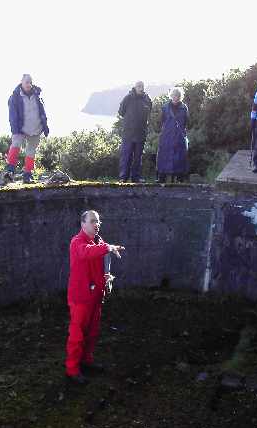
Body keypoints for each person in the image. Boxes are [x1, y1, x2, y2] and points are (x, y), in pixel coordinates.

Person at [65, 210, 124, 385]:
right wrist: (107, 247)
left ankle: (86, 362)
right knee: (77, 335)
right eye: (92, 221)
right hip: (81, 298)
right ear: (82, 224)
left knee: (91, 333)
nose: (96, 224)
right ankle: (72, 370)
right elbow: (86, 253)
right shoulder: (77, 242)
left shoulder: (99, 241)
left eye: (98, 221)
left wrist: (106, 277)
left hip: (95, 296)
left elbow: (100, 263)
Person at [4, 74, 49, 184]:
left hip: (36, 128)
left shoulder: (37, 95)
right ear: (21, 82)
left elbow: (42, 112)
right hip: (20, 128)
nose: (28, 84)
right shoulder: (14, 97)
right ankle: (9, 171)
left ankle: (27, 175)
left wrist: (45, 126)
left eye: (30, 82)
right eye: (26, 82)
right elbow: (12, 115)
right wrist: (15, 129)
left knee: (31, 152)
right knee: (15, 145)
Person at [117, 81, 152, 183]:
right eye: (139, 86)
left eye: (142, 86)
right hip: (128, 133)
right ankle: (123, 177)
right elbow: (121, 112)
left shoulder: (147, 99)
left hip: (141, 133)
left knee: (138, 157)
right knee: (126, 156)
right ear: (135, 87)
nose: (141, 88)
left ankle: (136, 178)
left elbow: (149, 112)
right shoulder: (128, 98)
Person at [156, 87, 189, 183]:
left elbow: (187, 121)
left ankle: (179, 179)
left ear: (180, 97)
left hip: (179, 136)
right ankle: (161, 178)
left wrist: (183, 133)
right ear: (171, 96)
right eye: (174, 95)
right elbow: (160, 121)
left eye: (178, 96)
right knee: (163, 156)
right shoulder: (165, 107)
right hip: (167, 135)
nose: (176, 97)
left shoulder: (184, 108)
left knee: (180, 157)